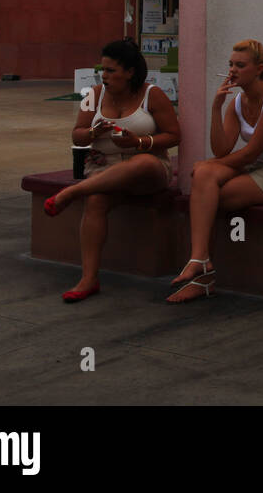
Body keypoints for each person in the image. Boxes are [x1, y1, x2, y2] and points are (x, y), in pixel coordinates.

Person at [169, 39, 263, 302]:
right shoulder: (237, 102)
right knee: (205, 179)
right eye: (230, 64)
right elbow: (222, 149)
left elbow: (251, 152)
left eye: (240, 65)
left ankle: (202, 272)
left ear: (260, 69)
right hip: (257, 167)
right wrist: (216, 107)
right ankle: (200, 261)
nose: (232, 70)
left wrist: (206, 166)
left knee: (207, 195)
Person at [44, 38, 180, 302]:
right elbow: (77, 136)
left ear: (129, 72)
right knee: (95, 200)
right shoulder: (92, 95)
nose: (104, 76)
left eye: (111, 70)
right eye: (102, 70)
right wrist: (93, 132)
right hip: (105, 172)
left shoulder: (153, 94)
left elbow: (175, 135)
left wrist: (138, 142)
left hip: (146, 171)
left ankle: (73, 192)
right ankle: (88, 278)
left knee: (141, 162)